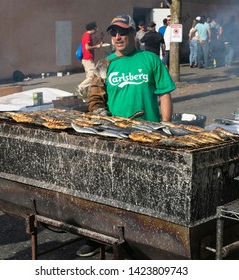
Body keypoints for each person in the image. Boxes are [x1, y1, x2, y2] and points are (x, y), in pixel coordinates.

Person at [78, 15, 176, 257]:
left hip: (148, 133)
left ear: (134, 34)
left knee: (145, 187)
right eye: (114, 33)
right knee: (107, 186)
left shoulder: (150, 59)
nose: (118, 37)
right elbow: (95, 98)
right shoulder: (106, 64)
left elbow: (164, 94)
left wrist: (165, 124)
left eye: (123, 32)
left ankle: (144, 239)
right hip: (115, 135)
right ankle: (98, 234)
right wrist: (99, 114)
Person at [76, 22, 102, 97]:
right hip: (87, 59)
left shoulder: (88, 35)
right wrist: (96, 47)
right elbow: (87, 47)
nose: (97, 29)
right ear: (93, 28)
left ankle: (85, 93)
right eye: (96, 28)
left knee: (89, 76)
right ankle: (80, 87)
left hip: (87, 59)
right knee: (92, 76)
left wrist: (99, 41)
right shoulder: (87, 35)